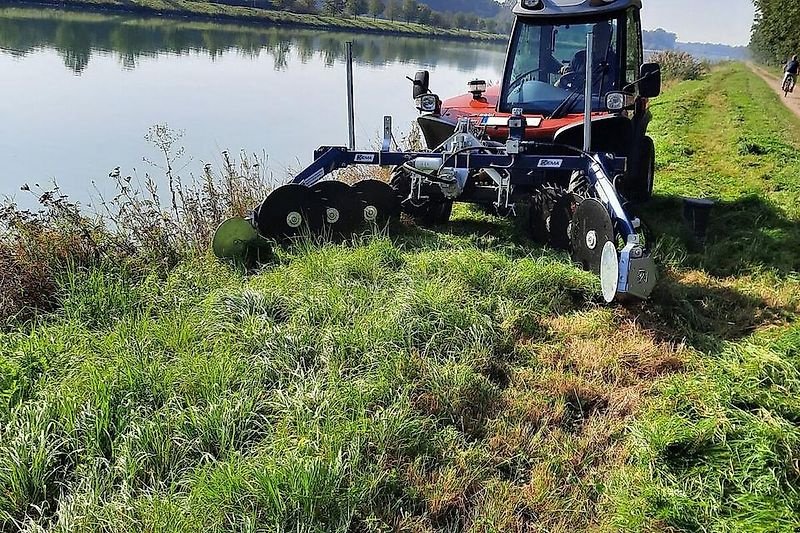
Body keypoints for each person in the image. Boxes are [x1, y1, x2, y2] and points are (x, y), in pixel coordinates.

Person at [558, 21, 618, 91]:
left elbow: (615, 81)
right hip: (576, 98)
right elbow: (569, 75)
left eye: (602, 38)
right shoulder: (579, 57)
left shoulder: (614, 60)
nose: (597, 41)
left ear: (608, 39)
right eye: (595, 37)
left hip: (602, 99)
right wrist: (566, 70)